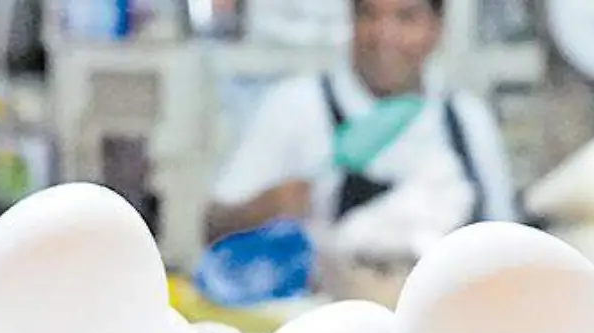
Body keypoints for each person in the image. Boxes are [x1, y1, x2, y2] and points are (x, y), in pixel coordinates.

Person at [204, 0, 518, 246]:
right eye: (370, 14)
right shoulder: (297, 105)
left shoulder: (466, 120)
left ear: (436, 29)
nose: (384, 35)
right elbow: (212, 227)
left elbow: (508, 239)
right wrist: (269, 205)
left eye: (406, 17)